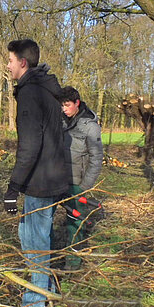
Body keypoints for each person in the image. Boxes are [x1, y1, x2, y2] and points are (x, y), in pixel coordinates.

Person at [3, 39, 68, 307]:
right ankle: (47, 291)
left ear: (22, 62)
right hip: (51, 178)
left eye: (9, 60)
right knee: (38, 238)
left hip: (39, 182)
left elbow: (30, 146)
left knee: (34, 243)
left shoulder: (31, 94)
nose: (7, 66)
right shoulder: (46, 90)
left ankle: (34, 304)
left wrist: (12, 189)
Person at [58, 86, 103, 270]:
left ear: (77, 103)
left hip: (77, 183)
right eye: (61, 106)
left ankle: (73, 263)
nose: (64, 109)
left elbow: (96, 159)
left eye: (67, 105)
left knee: (74, 223)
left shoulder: (90, 127)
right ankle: (49, 255)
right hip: (56, 180)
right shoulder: (60, 122)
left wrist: (85, 187)